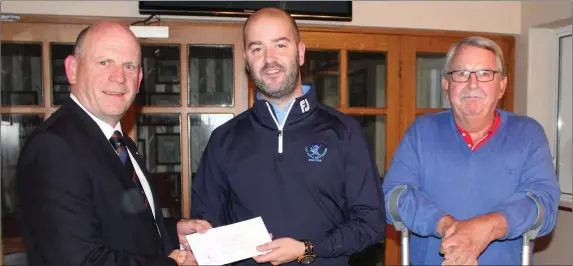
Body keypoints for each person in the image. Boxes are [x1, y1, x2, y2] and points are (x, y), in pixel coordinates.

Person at [191, 7, 386, 266]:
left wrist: (306, 249)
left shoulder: (344, 131)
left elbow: (371, 225)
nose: (269, 59)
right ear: (247, 60)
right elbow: (206, 224)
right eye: (257, 48)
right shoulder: (223, 139)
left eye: (280, 45)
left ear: (300, 53)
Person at [16, 22, 211, 266]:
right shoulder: (53, 147)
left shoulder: (120, 143)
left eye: (129, 66)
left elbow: (121, 224)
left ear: (139, 79)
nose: (119, 77)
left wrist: (172, 231)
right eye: (104, 62)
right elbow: (78, 260)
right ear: (72, 69)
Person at [382, 36, 560, 265]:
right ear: (446, 85)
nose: (472, 84)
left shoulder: (528, 134)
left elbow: (543, 204)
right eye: (461, 73)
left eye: (485, 73)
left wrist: (487, 227)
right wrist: (446, 226)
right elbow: (392, 197)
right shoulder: (422, 132)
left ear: (502, 86)